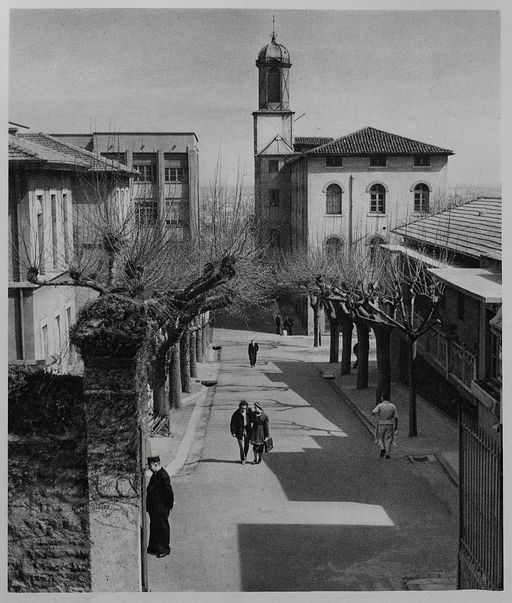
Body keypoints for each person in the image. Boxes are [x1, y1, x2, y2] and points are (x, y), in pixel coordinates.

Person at [146, 456, 174, 558]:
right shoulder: (156, 474)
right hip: (155, 507)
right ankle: (154, 547)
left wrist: (168, 506)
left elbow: (169, 492)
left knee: (162, 528)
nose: (149, 468)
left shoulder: (163, 475)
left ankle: (164, 549)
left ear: (156, 464)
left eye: (150, 466)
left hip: (161, 507)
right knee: (155, 527)